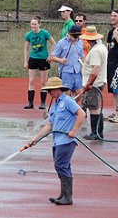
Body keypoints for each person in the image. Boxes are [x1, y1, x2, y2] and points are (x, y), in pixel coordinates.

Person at [29, 77, 85, 205]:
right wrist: (36, 139)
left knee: (60, 165)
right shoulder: (55, 105)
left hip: (67, 140)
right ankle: (64, 194)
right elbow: (49, 125)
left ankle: (67, 197)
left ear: (58, 90)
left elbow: (81, 114)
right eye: (48, 91)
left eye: (51, 91)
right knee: (62, 166)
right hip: (57, 141)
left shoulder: (67, 101)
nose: (49, 93)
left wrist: (74, 130)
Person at [79, 26, 108, 140]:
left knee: (93, 107)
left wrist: (89, 83)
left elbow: (95, 69)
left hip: (94, 83)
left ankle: (96, 133)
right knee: (94, 106)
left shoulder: (96, 50)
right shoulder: (101, 47)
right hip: (98, 81)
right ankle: (97, 132)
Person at [23, 16, 56, 109]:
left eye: (35, 24)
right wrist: (25, 61)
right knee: (31, 80)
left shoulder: (44, 33)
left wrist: (51, 55)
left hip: (43, 59)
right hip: (33, 58)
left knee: (43, 81)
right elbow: (25, 48)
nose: (33, 26)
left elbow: (54, 43)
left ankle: (42, 103)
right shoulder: (29, 35)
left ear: (39, 24)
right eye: (32, 24)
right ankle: (30, 103)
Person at [48, 25, 85, 98]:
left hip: (77, 72)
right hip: (66, 72)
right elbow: (51, 57)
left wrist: (86, 65)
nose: (76, 38)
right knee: (66, 94)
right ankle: (66, 107)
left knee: (80, 94)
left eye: (77, 36)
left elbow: (82, 56)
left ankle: (74, 106)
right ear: (69, 34)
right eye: (74, 36)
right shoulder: (61, 43)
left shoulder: (80, 42)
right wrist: (60, 60)